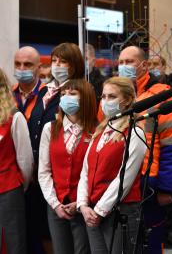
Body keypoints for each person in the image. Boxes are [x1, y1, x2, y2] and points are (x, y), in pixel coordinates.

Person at [118, 45, 172, 253]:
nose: (124, 67)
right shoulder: (115, 94)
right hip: (120, 182)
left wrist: (165, 188)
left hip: (149, 183)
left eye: (129, 62)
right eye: (120, 62)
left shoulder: (162, 96)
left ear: (144, 65)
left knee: (151, 241)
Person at [77, 77, 146, 253]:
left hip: (118, 210)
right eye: (104, 96)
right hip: (93, 211)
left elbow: (125, 178)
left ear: (128, 100)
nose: (105, 101)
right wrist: (83, 205)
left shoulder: (135, 132)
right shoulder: (101, 131)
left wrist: (100, 210)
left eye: (112, 97)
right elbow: (85, 171)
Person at [27, 42, 85, 254]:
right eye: (54, 61)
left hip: (68, 179)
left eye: (63, 61)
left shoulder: (80, 93)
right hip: (41, 174)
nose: (57, 65)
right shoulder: (46, 91)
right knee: (44, 232)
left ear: (74, 65)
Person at [38, 79, 97, 254]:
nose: (66, 98)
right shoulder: (50, 128)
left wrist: (80, 203)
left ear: (85, 98)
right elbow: (44, 171)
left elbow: (95, 173)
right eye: (63, 94)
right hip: (56, 205)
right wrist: (55, 204)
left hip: (85, 206)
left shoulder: (96, 130)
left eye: (72, 94)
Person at [0, 68, 33, 254]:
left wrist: (19, 185)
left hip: (8, 191)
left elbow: (25, 159)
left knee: (12, 242)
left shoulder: (15, 117)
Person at [12, 46, 45, 121]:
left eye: (27, 64)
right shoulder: (8, 93)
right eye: (17, 64)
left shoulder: (48, 95)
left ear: (39, 67)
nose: (21, 68)